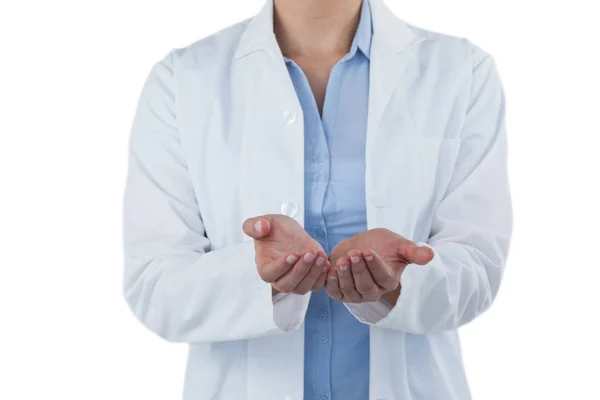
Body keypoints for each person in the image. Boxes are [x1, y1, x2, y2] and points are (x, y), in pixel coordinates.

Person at [122, 0, 512, 398]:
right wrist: (261, 276)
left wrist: (397, 284)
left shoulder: (462, 72)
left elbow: (477, 268)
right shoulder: (182, 79)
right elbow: (154, 286)